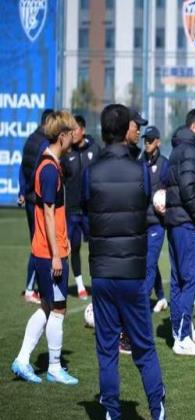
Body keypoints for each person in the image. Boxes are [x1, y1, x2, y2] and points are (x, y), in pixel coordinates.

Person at [82, 104, 175, 420]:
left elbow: (86, 214)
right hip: (133, 274)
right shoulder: (140, 171)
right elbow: (143, 209)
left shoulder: (91, 171)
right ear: (125, 131)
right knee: (144, 349)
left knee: (107, 352)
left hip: (103, 273)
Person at [11, 111, 79, 385]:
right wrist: (56, 255)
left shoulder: (50, 164)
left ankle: (22, 360)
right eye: (71, 132)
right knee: (58, 309)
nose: (75, 136)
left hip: (49, 249)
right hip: (50, 253)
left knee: (48, 307)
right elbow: (48, 214)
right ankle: (54, 367)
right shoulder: (49, 169)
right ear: (62, 136)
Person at [164, 108, 195, 356]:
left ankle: (178, 334)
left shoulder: (175, 149)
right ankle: (183, 337)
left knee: (177, 280)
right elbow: (187, 188)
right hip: (185, 222)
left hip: (174, 222)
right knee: (190, 280)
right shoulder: (190, 150)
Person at [60, 115, 100, 300]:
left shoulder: (95, 150)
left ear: (82, 130)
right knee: (72, 248)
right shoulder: (66, 153)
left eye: (74, 129)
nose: (72, 133)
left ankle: (98, 283)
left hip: (91, 211)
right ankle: (80, 285)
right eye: (70, 130)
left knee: (96, 247)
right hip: (72, 210)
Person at [18, 108, 54, 304]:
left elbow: (22, 168)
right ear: (48, 123)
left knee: (38, 242)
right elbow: (33, 172)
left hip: (30, 198)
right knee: (39, 244)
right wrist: (30, 190)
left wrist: (22, 191)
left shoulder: (31, 139)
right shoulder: (43, 143)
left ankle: (37, 287)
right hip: (36, 200)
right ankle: (31, 289)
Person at [141, 126, 170, 313]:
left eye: (150, 140)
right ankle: (160, 297)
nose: (147, 143)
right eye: (145, 140)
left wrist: (165, 202)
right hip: (140, 222)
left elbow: (170, 189)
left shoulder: (165, 164)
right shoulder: (139, 162)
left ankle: (142, 305)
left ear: (158, 142)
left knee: (149, 263)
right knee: (147, 261)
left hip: (157, 223)